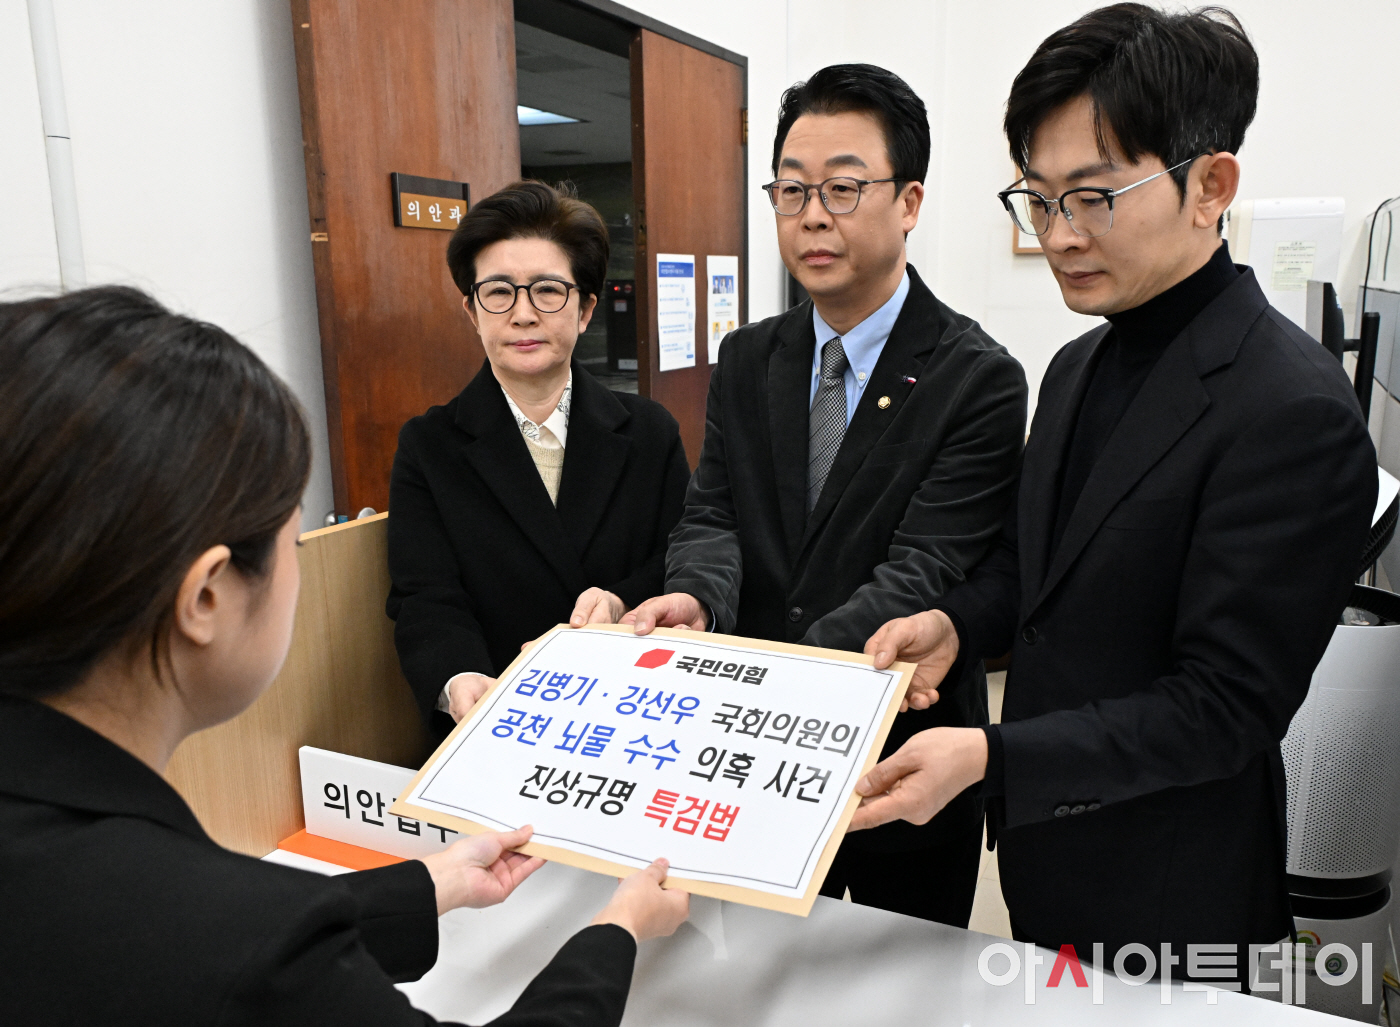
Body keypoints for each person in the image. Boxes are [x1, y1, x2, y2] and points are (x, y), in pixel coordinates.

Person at [852, 4, 1377, 980]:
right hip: (1049, 860)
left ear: (1209, 186)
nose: (1059, 234)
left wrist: (991, 756)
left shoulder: (1291, 410)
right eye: (1038, 199)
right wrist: (956, 626)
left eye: (1093, 197)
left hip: (1175, 886)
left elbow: (1222, 707)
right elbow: (1033, 567)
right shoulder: (1076, 364)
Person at [0, 286, 689, 1026]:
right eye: (292, 540)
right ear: (206, 597)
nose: (523, 312)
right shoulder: (222, 937)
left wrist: (424, 887)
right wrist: (618, 928)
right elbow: (232, 942)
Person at [613, 65, 1027, 927]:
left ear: (909, 202)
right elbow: (714, 513)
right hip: (749, 769)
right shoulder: (747, 357)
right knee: (746, 968)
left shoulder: (977, 376)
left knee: (896, 980)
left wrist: (768, 683)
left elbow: (924, 565)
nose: (811, 216)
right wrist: (697, 597)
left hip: (895, 765)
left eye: (842, 188)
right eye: (792, 190)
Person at [388, 181, 691, 740]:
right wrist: (458, 677)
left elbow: (678, 560)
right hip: (496, 720)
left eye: (548, 291)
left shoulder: (651, 432)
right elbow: (425, 595)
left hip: (634, 713)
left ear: (585, 309)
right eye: (498, 292)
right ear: (471, 310)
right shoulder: (429, 445)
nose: (523, 314)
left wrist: (620, 600)